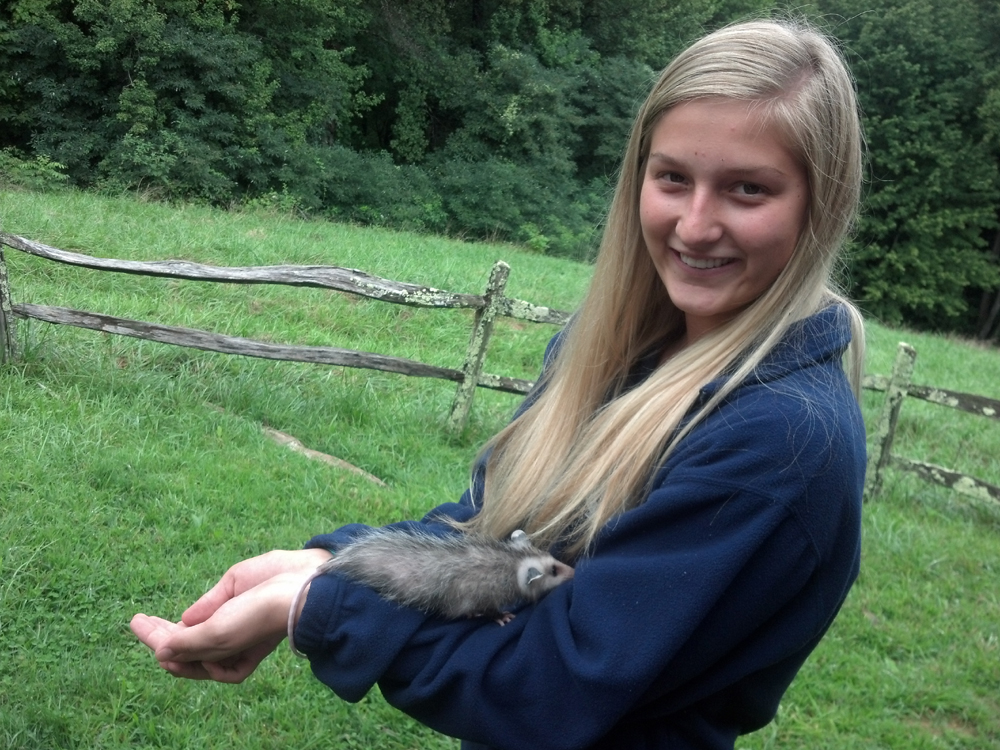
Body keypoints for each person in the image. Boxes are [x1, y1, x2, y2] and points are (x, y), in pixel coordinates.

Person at [131, 17, 867, 750]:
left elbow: (548, 686)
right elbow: (491, 538)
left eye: (747, 189)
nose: (695, 226)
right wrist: (336, 566)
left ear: (821, 204)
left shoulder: (783, 441)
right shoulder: (605, 352)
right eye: (673, 177)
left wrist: (313, 608)